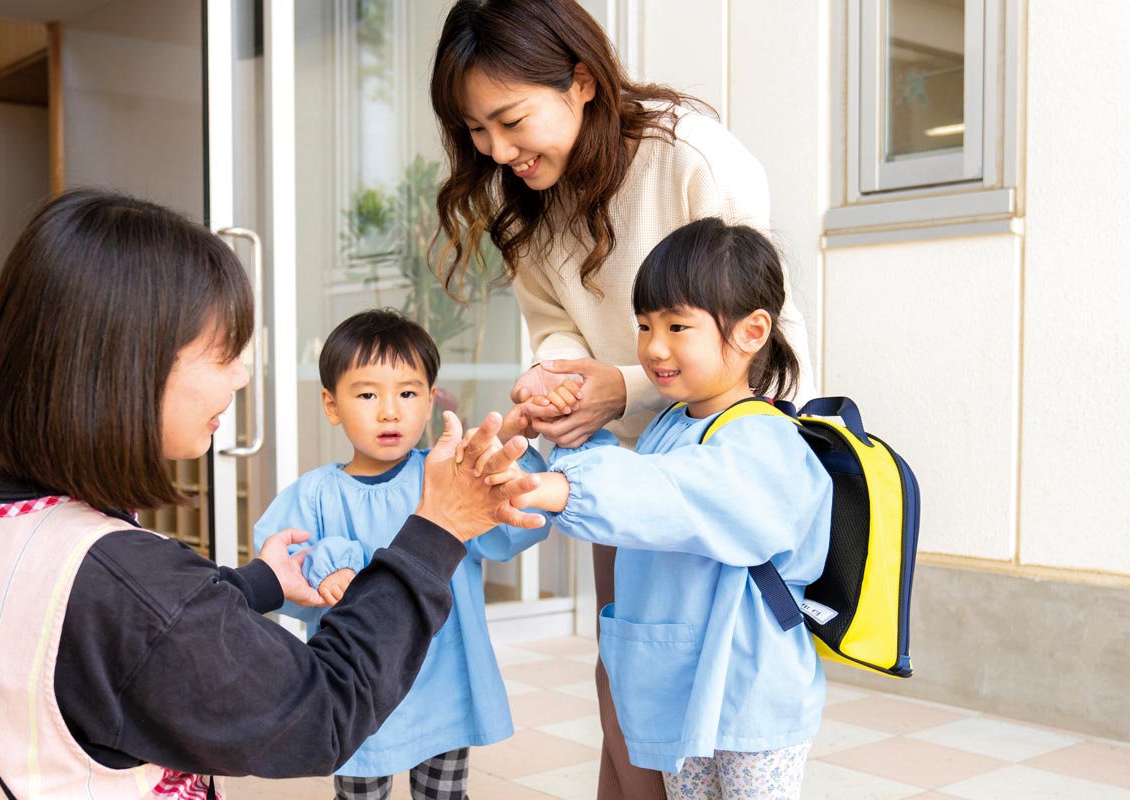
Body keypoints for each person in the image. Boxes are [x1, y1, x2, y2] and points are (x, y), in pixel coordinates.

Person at [0, 189, 545, 799]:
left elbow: (141, 630)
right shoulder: (120, 577)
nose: (244, 374)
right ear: (124, 365)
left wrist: (255, 584)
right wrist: (435, 531)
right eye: (225, 353)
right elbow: (321, 711)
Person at [429, 2, 815, 796]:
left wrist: (621, 388)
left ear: (580, 82)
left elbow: (766, 346)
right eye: (475, 132)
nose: (499, 152)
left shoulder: (692, 159)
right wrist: (564, 379)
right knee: (631, 695)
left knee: (703, 710)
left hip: (709, 471)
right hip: (626, 477)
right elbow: (554, 325)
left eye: (510, 121)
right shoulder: (530, 199)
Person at [495, 218, 832, 799]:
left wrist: (565, 488)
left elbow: (672, 495)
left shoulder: (767, 439)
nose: (653, 347)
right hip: (679, 689)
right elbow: (640, 478)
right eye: (645, 325)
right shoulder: (673, 422)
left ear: (752, 332)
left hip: (750, 695)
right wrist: (562, 435)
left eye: (678, 326)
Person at [253, 308, 550, 800]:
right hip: (357, 686)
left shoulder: (448, 476)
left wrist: (513, 462)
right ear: (331, 404)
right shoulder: (315, 495)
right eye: (367, 394)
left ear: (431, 401)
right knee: (361, 792)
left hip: (443, 681)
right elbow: (281, 562)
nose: (389, 411)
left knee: (444, 794)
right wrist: (329, 565)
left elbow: (507, 527)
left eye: (407, 394)